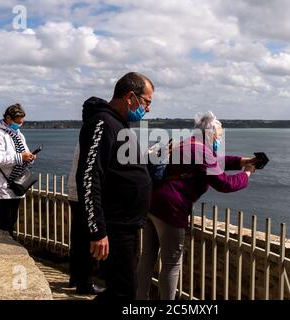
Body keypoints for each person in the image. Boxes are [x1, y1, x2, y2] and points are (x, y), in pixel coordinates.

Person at [136, 111, 257, 300]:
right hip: (171, 209)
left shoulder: (185, 143)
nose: (219, 141)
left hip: (153, 204)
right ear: (210, 135)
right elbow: (224, 184)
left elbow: (215, 162)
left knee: (147, 257)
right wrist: (247, 174)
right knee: (171, 264)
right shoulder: (201, 150)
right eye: (218, 137)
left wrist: (242, 160)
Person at [76, 72, 154, 300]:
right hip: (114, 225)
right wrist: (97, 230)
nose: (147, 109)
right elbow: (89, 177)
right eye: (146, 102)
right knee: (123, 292)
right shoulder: (102, 123)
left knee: (121, 290)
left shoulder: (117, 123)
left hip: (126, 224)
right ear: (131, 96)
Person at [0, 103, 36, 237]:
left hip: (16, 184)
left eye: (21, 122)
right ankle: (4, 250)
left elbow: (23, 152)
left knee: (12, 220)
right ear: (8, 118)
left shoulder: (18, 134)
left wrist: (29, 156)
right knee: (5, 223)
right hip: (3, 185)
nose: (19, 125)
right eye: (17, 122)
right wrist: (21, 157)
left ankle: (9, 245)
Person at [67, 143, 105, 295]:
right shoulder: (96, 138)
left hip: (74, 191)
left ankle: (75, 277)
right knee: (87, 241)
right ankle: (85, 283)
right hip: (85, 196)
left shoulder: (85, 136)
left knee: (77, 239)